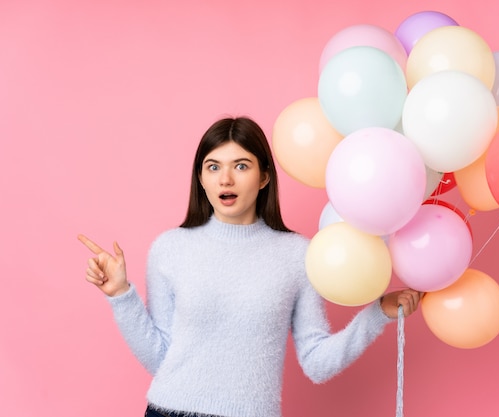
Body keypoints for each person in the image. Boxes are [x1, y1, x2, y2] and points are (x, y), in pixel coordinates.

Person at [79, 116, 421, 417]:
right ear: (201, 178)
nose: (225, 179)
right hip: (169, 413)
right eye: (213, 167)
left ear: (263, 178)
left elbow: (316, 363)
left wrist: (377, 314)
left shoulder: (298, 255)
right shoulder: (170, 248)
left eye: (241, 166)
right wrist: (120, 294)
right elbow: (160, 359)